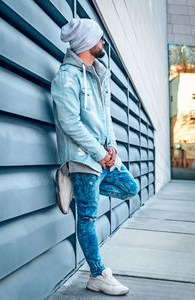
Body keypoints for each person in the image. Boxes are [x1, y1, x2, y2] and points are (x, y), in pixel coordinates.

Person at [51, 18, 139, 296]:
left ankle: (75, 189)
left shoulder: (99, 74)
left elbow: (105, 119)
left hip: (103, 157)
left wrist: (111, 148)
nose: (104, 43)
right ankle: (98, 275)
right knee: (87, 218)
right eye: (100, 38)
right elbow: (70, 123)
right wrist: (100, 154)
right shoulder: (67, 76)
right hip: (82, 158)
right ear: (87, 43)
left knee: (130, 187)